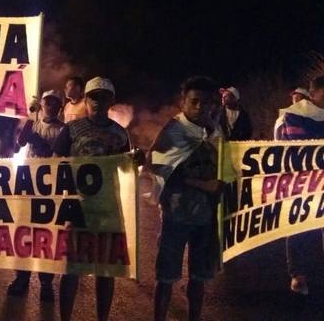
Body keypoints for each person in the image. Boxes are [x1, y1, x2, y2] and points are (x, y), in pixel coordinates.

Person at [53, 77, 130, 321]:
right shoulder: (71, 130)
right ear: (85, 100)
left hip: (108, 209)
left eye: (103, 97)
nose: (98, 101)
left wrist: (136, 162)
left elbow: (127, 171)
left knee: (105, 270)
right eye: (93, 96)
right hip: (78, 208)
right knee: (72, 269)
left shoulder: (120, 134)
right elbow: (54, 163)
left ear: (111, 101)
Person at [147, 76, 222, 321]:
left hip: (206, 218)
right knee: (166, 277)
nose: (201, 107)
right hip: (176, 216)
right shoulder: (173, 131)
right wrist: (203, 184)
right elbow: (159, 169)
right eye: (195, 101)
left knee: (199, 278)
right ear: (183, 102)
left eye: (207, 102)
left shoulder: (215, 132)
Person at [7, 90, 64, 302]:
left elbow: (61, 155)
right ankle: (21, 278)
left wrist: (42, 145)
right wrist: (29, 122)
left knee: (47, 236)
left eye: (54, 103)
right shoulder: (33, 124)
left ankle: (46, 283)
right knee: (24, 232)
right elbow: (17, 145)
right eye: (47, 103)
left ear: (60, 107)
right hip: (28, 185)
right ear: (41, 105)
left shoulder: (63, 129)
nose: (50, 106)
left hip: (49, 189)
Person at [274, 76, 324, 295]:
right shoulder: (294, 115)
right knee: (298, 226)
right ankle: (298, 275)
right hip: (300, 182)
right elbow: (300, 150)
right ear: (312, 94)